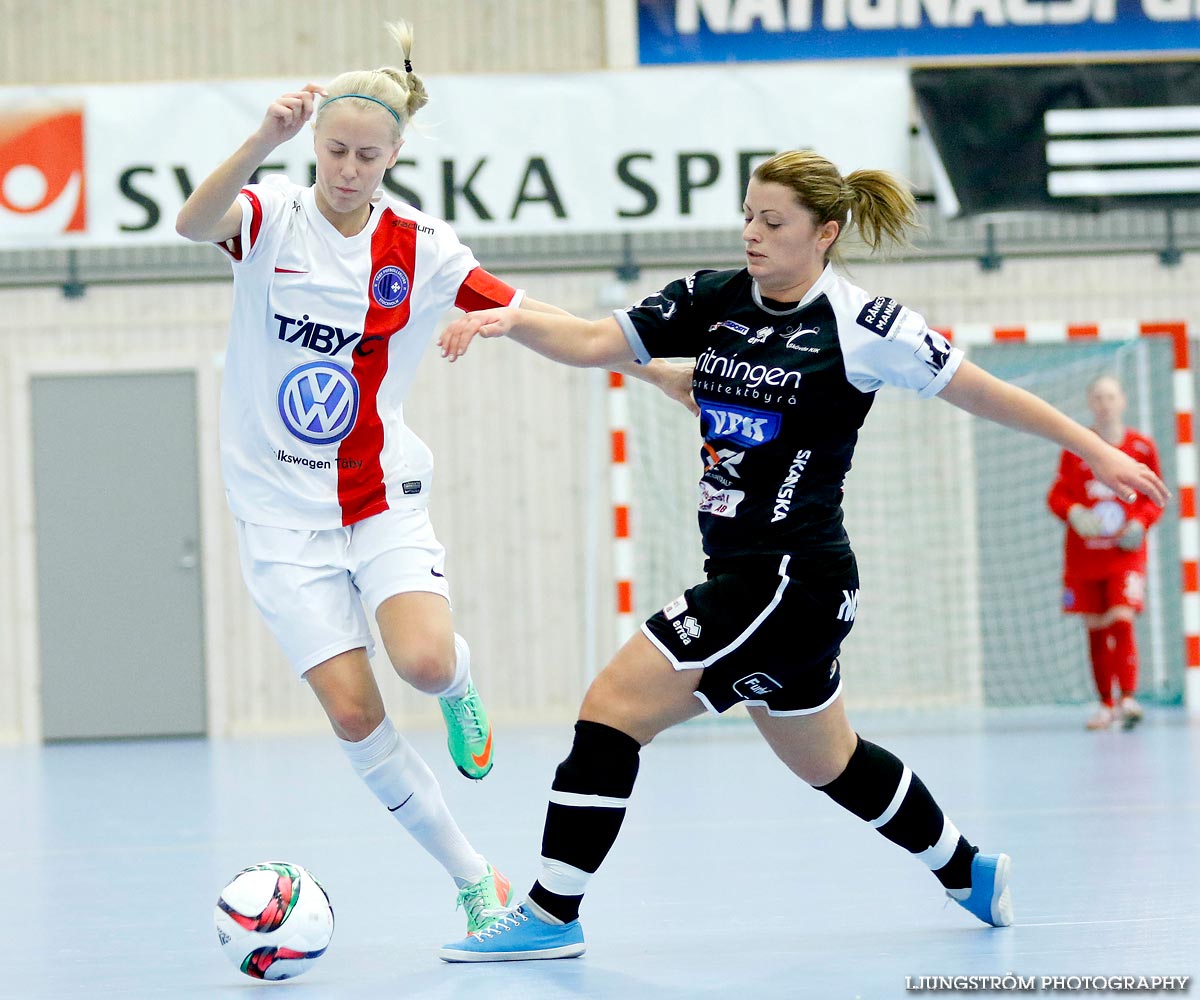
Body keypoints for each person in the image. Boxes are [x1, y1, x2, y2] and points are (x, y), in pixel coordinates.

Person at [432, 150, 1170, 961]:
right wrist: (503, 313)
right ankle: (969, 869)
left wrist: (1093, 449)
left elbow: (980, 388)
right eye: (748, 215)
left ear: (826, 233)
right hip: (762, 579)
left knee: (612, 709)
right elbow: (589, 339)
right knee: (830, 761)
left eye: (772, 222)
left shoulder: (863, 326)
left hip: (786, 578)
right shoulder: (715, 296)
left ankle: (550, 912)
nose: (752, 232)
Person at [174, 20, 691, 935]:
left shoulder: (423, 248)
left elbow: (539, 319)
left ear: (393, 156)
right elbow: (192, 222)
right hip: (276, 516)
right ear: (317, 144)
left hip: (376, 497)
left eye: (366, 155)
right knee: (349, 713)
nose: (346, 168)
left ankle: (458, 690)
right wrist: (263, 141)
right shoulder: (271, 217)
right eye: (333, 149)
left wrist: (659, 372)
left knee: (419, 660)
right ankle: (472, 878)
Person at [1047, 375, 1164, 731]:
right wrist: (1075, 513)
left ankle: (1128, 698)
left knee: (1122, 618)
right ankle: (1105, 704)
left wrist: (1141, 523)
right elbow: (1058, 496)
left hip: (1124, 555)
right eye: (1098, 397)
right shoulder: (1076, 447)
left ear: (1123, 401)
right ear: (1090, 403)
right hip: (1085, 557)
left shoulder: (1141, 447)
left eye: (1111, 396)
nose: (1105, 403)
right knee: (1096, 628)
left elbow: (1155, 496)